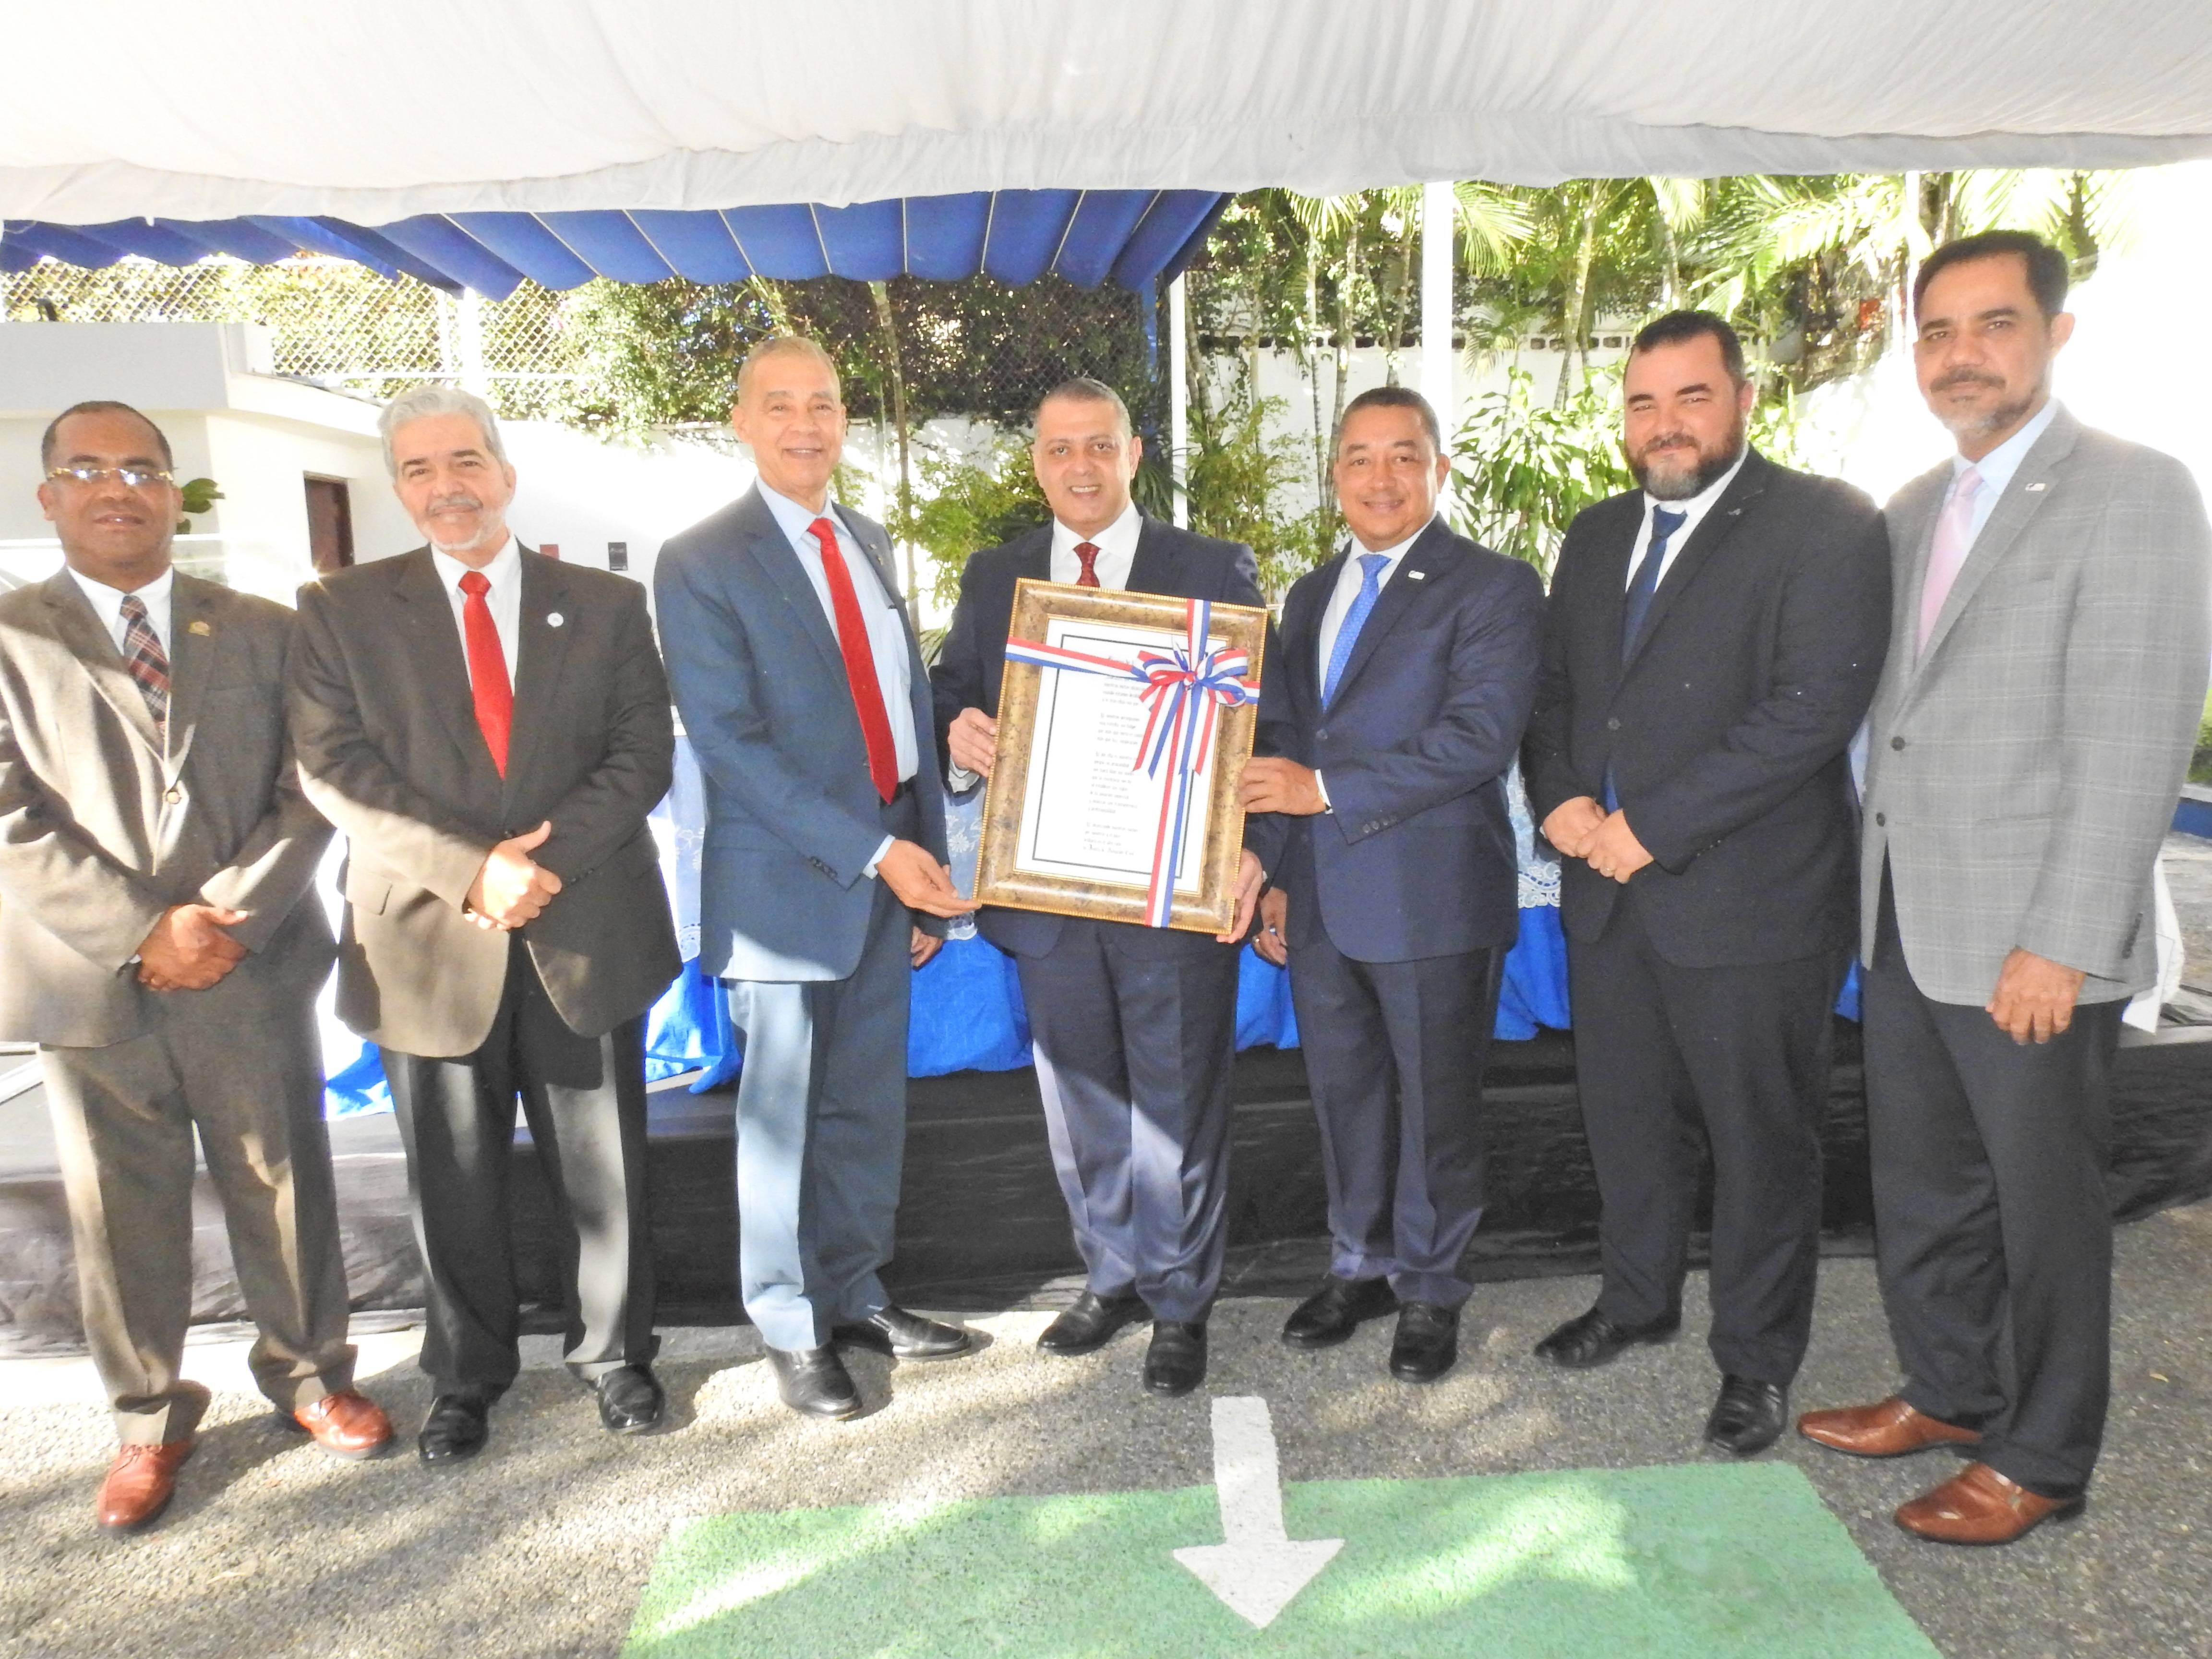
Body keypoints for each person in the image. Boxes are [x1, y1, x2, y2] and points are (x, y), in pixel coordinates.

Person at [1798, 232, 2212, 1543]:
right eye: (1937, 331)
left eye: (1994, 324)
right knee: (1926, 1186)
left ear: (2056, 334)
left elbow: (2138, 732)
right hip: (1907, 921)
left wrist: (2065, 939)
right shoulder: (1913, 506)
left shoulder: (2136, 490)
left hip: (2032, 937)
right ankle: (1951, 1391)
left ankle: (2043, 1457)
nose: (1960, 355)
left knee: (2045, 1210)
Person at [0, 401, 391, 1532]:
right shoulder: (12, 637)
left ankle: (312, 1377)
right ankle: (147, 1419)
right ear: (49, 496)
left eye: (141, 469)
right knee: (120, 1210)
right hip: (91, 977)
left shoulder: (266, 627)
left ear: (175, 494)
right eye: (88, 469)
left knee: (282, 1180)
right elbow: (9, 813)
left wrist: (228, 919)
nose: (116, 488)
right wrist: (143, 930)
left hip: (246, 964)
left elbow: (310, 787)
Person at [1522, 312, 1891, 1455]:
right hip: (1610, 897)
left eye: (1691, 396)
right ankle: (1638, 1300)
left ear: (1743, 400)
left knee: (1760, 1142)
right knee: (1627, 1123)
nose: (1666, 423)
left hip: (1753, 902)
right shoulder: (1593, 536)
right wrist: (1558, 796)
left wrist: (1650, 827)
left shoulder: (1827, 522)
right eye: (1644, 402)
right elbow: (1556, 695)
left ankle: (1757, 1361)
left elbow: (1810, 710)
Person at [289, 385, 678, 1465]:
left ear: (505, 474)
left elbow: (643, 751)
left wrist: (534, 868)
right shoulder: (338, 609)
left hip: (582, 923)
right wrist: (473, 874)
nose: (446, 487)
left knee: (604, 1170)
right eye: (419, 469)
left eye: (465, 461)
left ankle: (615, 1357)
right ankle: (466, 1377)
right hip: (423, 941)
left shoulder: (604, 603)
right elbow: (334, 769)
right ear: (397, 488)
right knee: (451, 1180)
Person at [655, 336, 978, 1422]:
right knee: (782, 1123)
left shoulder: (868, 538)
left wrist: (920, 853)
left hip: (887, 875)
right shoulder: (699, 559)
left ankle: (857, 1292)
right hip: (787, 891)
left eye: (825, 405)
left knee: (861, 1111)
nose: (806, 425)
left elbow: (903, 706)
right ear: (741, 421)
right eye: (781, 405)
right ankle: (790, 1326)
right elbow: (731, 745)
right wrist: (879, 854)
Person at [930, 379, 1266, 1396]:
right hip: (1048, 892)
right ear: (1037, 462)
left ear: (1134, 453)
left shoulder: (1212, 568)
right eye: (1059, 448)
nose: (1080, 466)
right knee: (1081, 1106)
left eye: (1100, 445)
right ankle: (1112, 1273)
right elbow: (951, 690)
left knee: (1176, 1102)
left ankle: (1180, 1301)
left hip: (1168, 890)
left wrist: (1255, 852)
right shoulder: (997, 575)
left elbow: (1265, 720)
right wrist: (957, 729)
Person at [1240, 385, 1544, 1383]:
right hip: (1323, 899)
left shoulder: (1494, 586)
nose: (1381, 478)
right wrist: (1281, 871)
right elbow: (1291, 741)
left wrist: (1323, 793)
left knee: (1436, 1104)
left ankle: (1431, 1287)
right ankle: (1360, 1265)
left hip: (1432, 895)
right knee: (1348, 1099)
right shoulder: (1308, 596)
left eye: (1404, 456)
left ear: (1439, 470)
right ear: (1334, 475)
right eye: (1360, 458)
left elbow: (1479, 738)